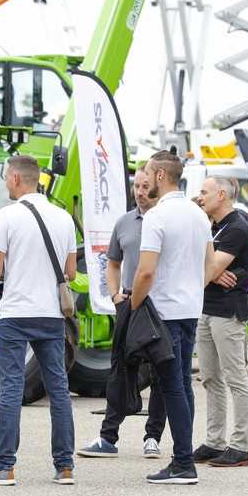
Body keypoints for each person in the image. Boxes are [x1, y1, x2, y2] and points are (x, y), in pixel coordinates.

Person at [0, 155, 77, 487]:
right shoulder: (63, 218)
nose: (6, 184)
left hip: (16, 313)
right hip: (51, 314)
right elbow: (71, 272)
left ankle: (5, 466)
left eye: (7, 178)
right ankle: (65, 467)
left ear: (17, 178)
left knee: (12, 388)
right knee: (58, 389)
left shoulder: (8, 216)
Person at [131, 150, 214, 485]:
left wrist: (134, 305)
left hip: (163, 313)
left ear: (161, 176)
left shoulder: (156, 216)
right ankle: (184, 455)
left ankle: (183, 463)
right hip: (190, 310)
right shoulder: (198, 214)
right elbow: (209, 264)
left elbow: (145, 272)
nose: (145, 180)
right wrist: (192, 290)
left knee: (172, 387)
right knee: (181, 384)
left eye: (148, 174)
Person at [77, 165, 166, 459]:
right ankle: (108, 437)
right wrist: (115, 295)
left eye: (145, 186)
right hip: (129, 304)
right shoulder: (125, 222)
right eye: (136, 186)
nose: (140, 192)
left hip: (159, 306)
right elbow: (112, 262)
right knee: (120, 371)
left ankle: (152, 437)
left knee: (160, 374)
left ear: (156, 185)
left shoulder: (165, 220)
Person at [194, 176, 248, 468]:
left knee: (235, 379)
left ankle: (239, 447)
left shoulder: (238, 228)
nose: (199, 196)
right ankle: (214, 442)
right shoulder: (212, 226)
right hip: (207, 309)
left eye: (204, 192)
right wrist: (214, 272)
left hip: (228, 313)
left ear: (221, 195)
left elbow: (208, 267)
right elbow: (206, 265)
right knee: (210, 378)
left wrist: (212, 270)